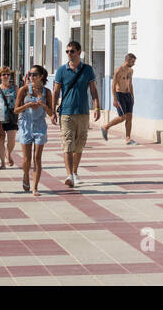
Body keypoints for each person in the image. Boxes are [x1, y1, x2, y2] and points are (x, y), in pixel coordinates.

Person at [52, 41, 101, 188]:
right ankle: (69, 175)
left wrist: (97, 107)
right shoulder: (61, 70)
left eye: (72, 51)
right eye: (67, 51)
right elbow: (55, 91)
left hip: (83, 112)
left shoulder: (87, 70)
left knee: (79, 145)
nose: (69, 54)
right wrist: (53, 111)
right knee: (68, 143)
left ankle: (74, 172)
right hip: (66, 112)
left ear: (79, 52)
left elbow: (93, 90)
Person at [15, 65, 54, 195]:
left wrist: (42, 104)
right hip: (26, 124)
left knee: (37, 157)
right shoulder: (24, 90)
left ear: (41, 76)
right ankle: (26, 174)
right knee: (26, 158)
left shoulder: (47, 92)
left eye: (34, 74)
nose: (31, 77)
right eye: (29, 74)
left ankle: (35, 187)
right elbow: (15, 110)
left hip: (40, 126)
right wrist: (27, 105)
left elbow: (51, 113)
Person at [100, 53, 138, 144]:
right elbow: (113, 85)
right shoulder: (119, 70)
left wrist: (132, 96)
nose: (134, 63)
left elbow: (130, 84)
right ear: (127, 60)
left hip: (128, 95)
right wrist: (114, 98)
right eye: (132, 61)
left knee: (129, 117)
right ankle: (105, 127)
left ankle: (128, 138)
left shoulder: (130, 71)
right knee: (122, 117)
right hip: (119, 95)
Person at [0, 66, 18, 169]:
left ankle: (9, 153)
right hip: (0, 118)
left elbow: (19, 100)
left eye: (8, 74)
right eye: (4, 74)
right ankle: (2, 162)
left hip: (12, 116)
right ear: (0, 76)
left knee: (11, 139)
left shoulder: (15, 88)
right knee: (1, 140)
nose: (6, 76)